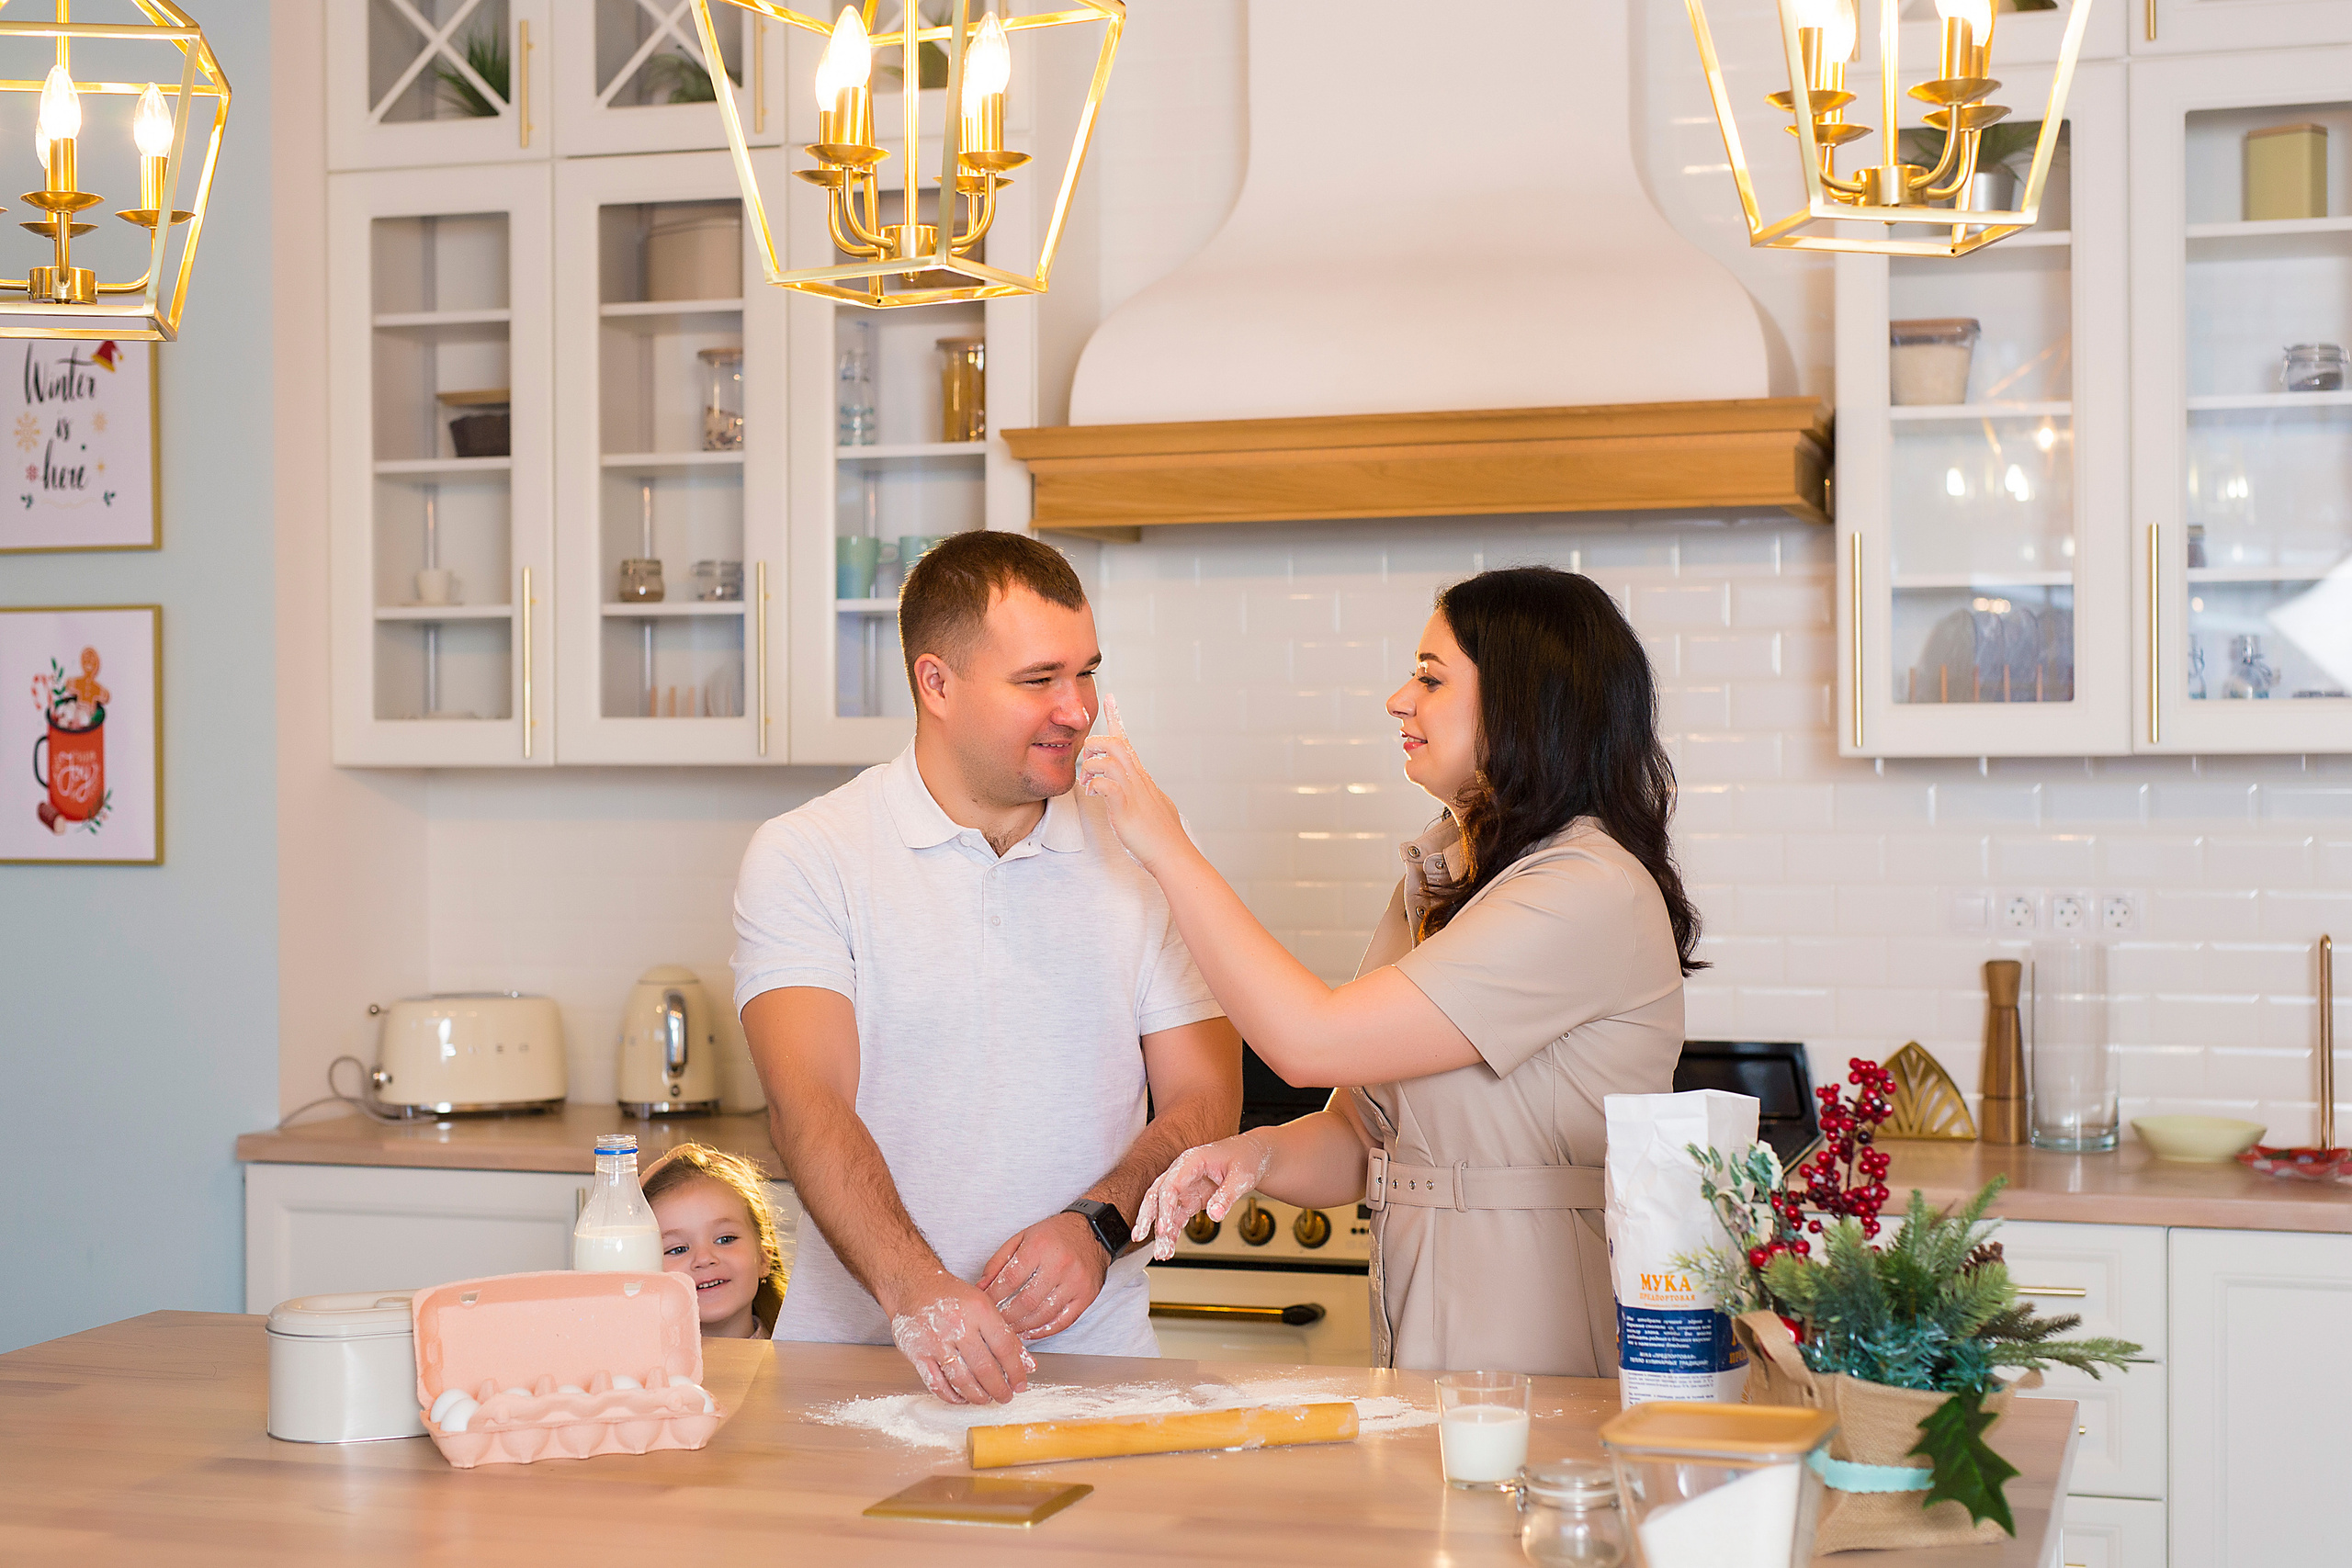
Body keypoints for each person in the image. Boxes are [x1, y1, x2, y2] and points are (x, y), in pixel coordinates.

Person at [1077, 566, 1702, 1377]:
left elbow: (1309, 1042)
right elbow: (1360, 1133)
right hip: (1427, 1353)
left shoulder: (1587, 890)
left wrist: (1165, 845)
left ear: (1525, 704)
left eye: (1431, 678)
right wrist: (1256, 1155)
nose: (1398, 700)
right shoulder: (1450, 880)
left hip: (1545, 1353)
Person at [731, 530, 1242, 1404]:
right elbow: (809, 1103)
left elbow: (1206, 1096)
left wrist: (1098, 1225)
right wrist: (918, 1290)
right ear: (936, 683)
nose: (1077, 709)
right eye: (1039, 680)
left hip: (1094, 1375)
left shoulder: (1142, 842)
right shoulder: (809, 854)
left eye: (1086, 672)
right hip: (852, 1375)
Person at [643, 1144, 788, 1340]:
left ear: (764, 1257)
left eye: (725, 1239)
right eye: (678, 1249)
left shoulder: (804, 1355)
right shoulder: (628, 1358)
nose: (704, 1259)